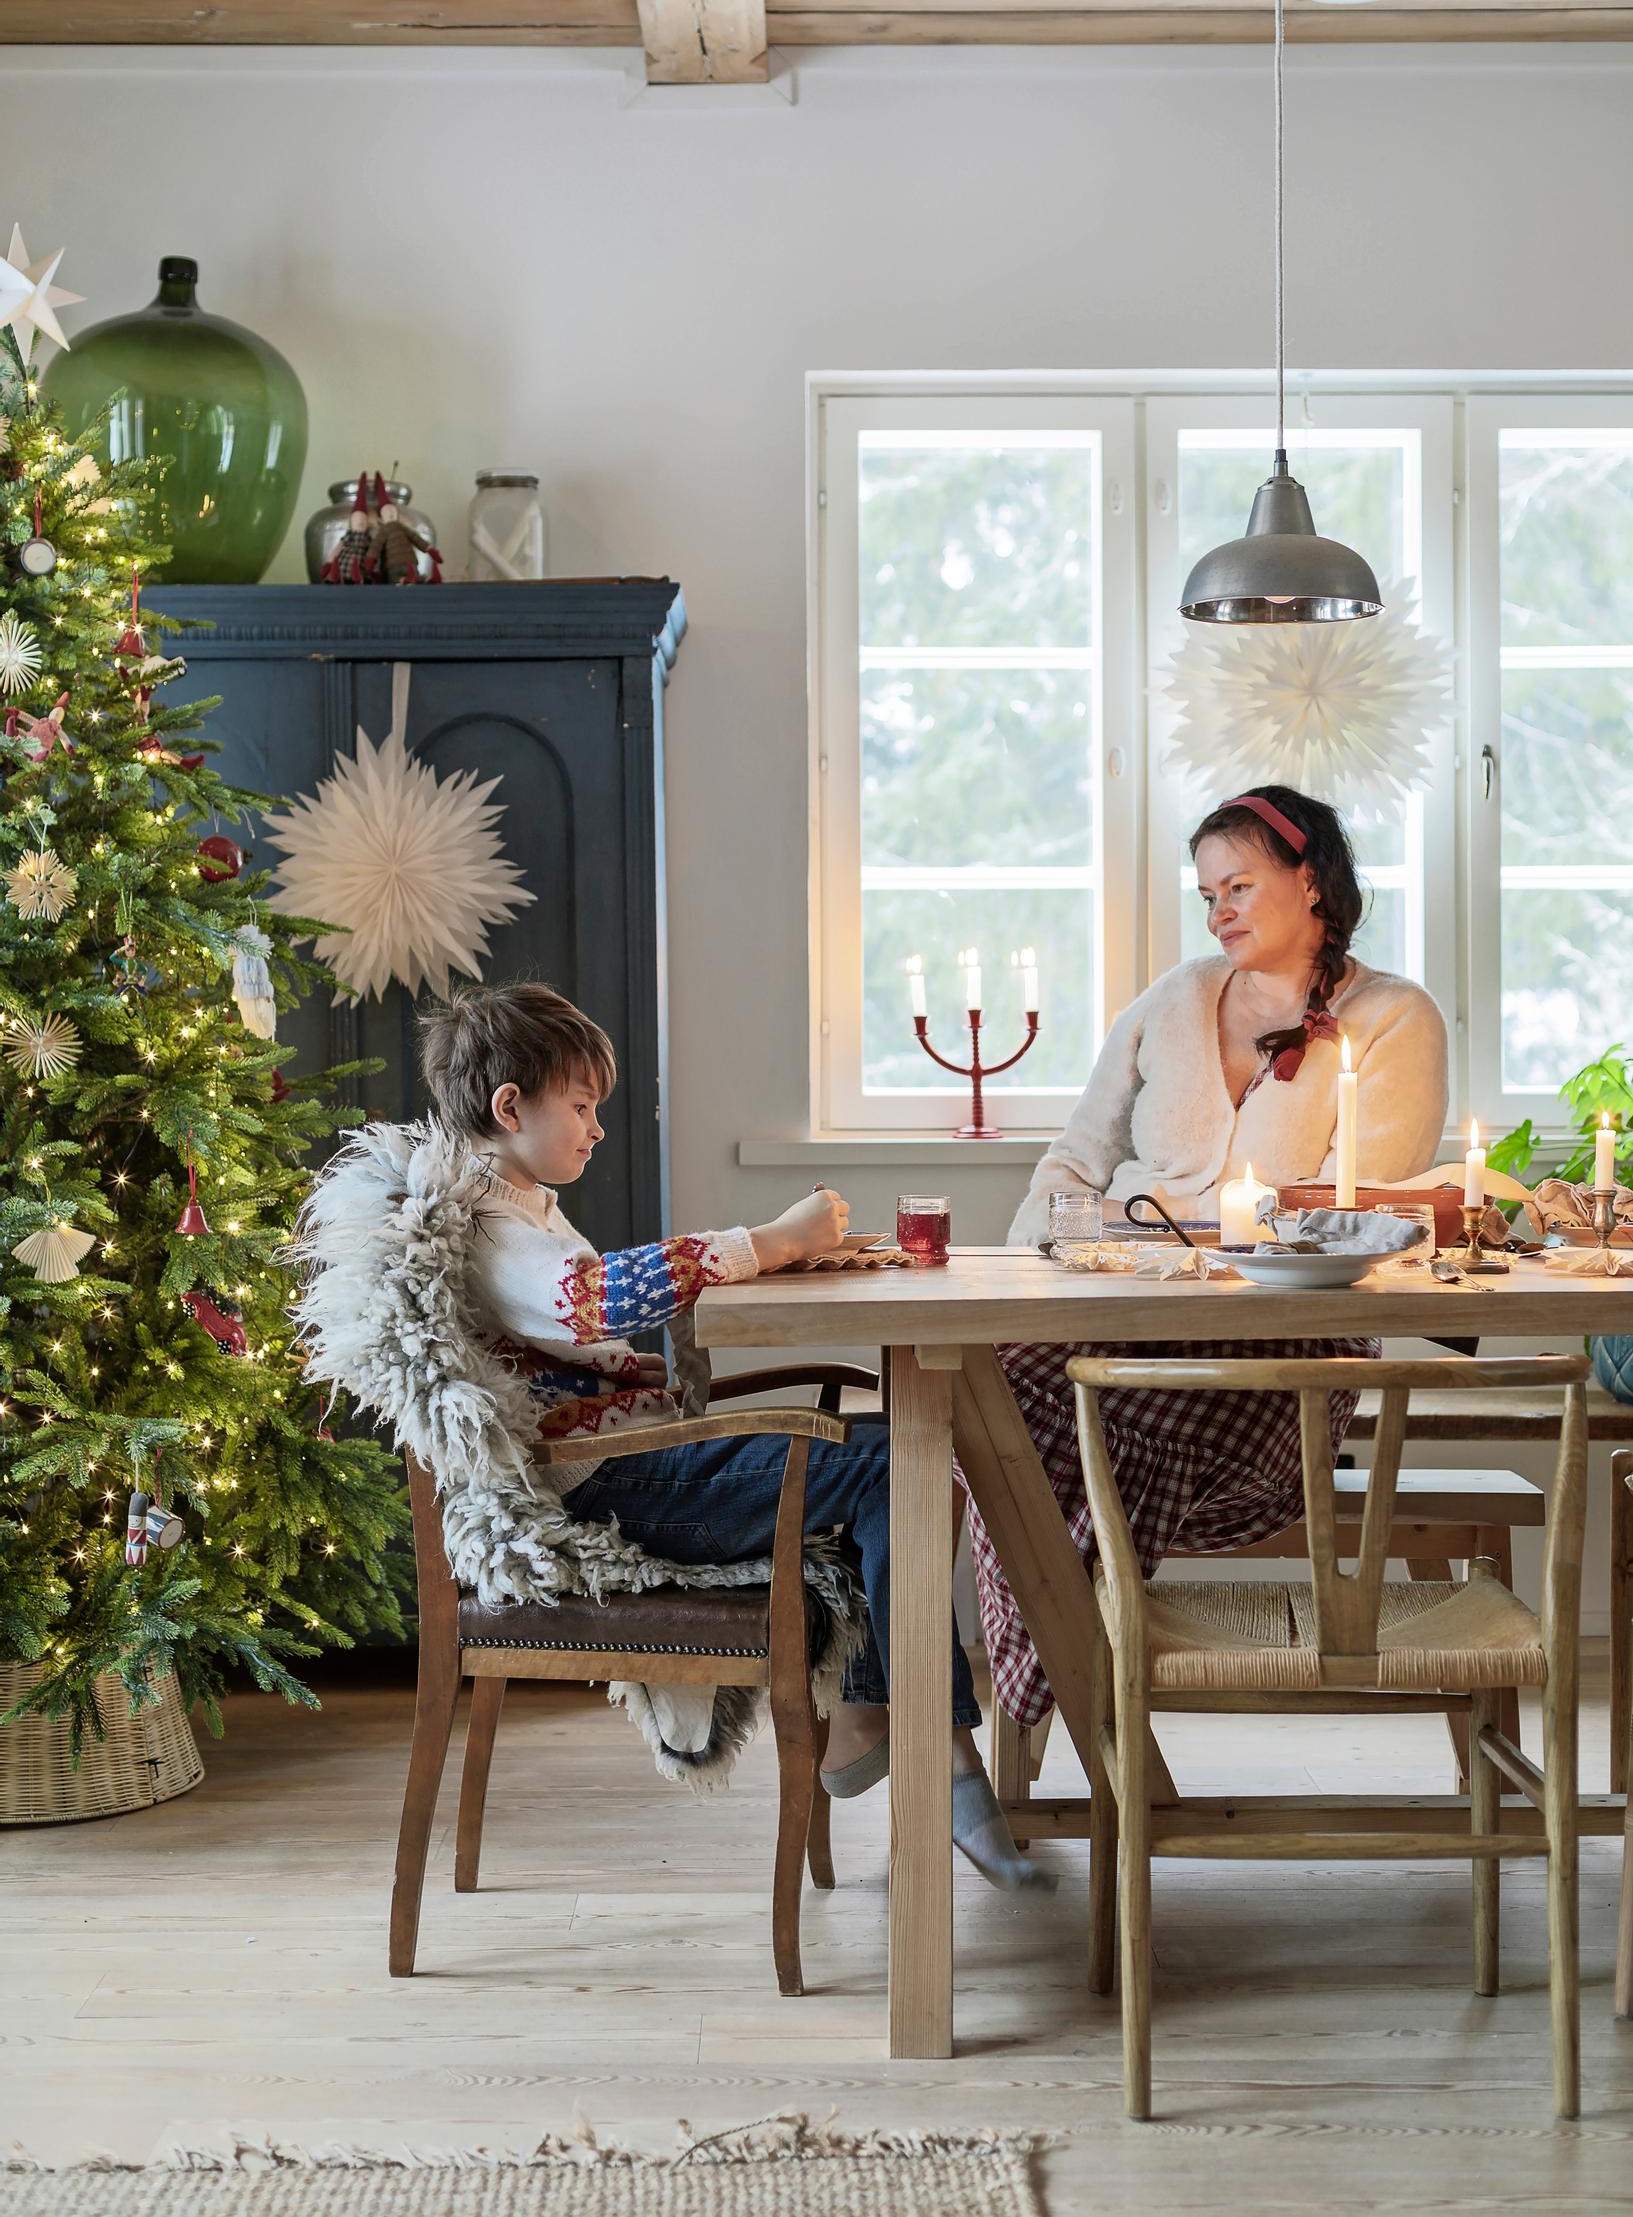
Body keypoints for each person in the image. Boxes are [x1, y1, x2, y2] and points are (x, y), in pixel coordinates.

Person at [418, 981, 1047, 1889]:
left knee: (898, 1450)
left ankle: (882, 1719)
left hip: (621, 1460)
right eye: (582, 1106)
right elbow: (590, 1299)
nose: (595, 1128)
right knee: (896, 1463)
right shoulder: (486, 1216)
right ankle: (931, 1753)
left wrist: (618, 1372)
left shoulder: (518, 1205)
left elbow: (553, 1343)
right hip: (603, 1490)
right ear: (509, 1105)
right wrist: (769, 1241)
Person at [970, 784, 1450, 1730]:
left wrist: (1178, 1236)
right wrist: (1053, 1241)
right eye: (1206, 895)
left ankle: (1051, 1691)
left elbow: (1345, 1222)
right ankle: (1079, 1680)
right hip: (1116, 1320)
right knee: (988, 1379)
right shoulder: (1171, 999)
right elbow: (1071, 1161)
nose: (1217, 911)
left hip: (1286, 1356)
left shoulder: (1396, 1019)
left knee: (1025, 1408)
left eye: (1236, 886)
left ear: (1309, 879)